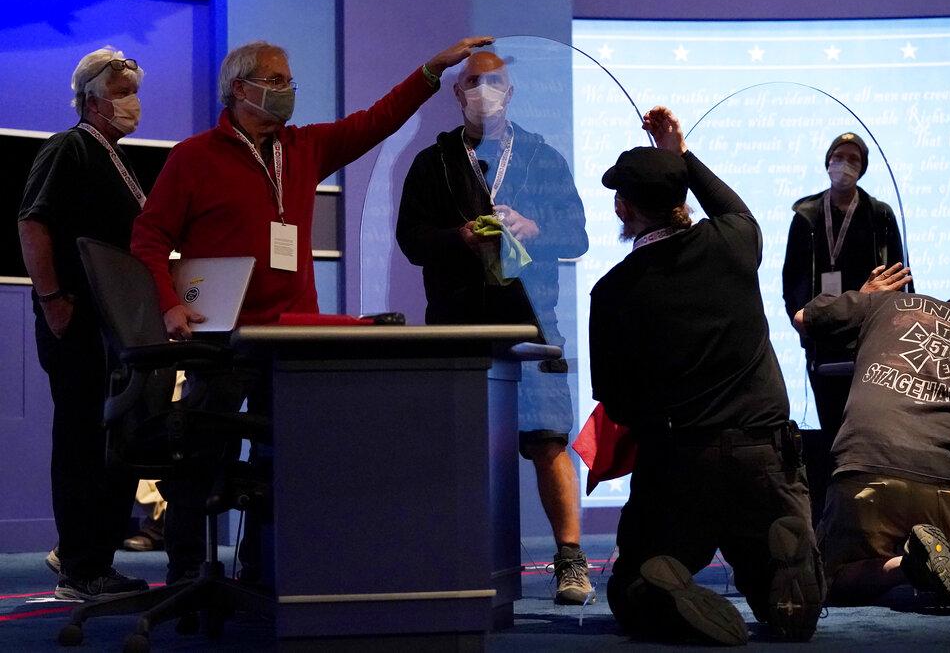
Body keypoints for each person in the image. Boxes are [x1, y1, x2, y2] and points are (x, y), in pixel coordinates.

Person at [131, 36, 492, 584]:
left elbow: (376, 121)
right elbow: (149, 239)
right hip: (220, 338)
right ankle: (186, 575)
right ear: (239, 89)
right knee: (206, 458)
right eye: (275, 81)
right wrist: (170, 304)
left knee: (283, 462)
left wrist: (430, 70)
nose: (287, 90)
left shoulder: (303, 148)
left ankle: (260, 574)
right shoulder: (194, 157)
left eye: (288, 80)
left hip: (293, 335)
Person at [591, 107, 823, 645]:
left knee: (631, 590)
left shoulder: (614, 291)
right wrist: (681, 153)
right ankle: (786, 588)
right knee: (773, 571)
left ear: (624, 208)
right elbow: (728, 205)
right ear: (681, 203)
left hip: (678, 460)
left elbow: (617, 402)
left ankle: (667, 593)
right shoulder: (735, 242)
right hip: (765, 452)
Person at [396, 51, 593, 604]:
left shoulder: (540, 157)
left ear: (511, 92)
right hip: (458, 323)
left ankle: (571, 560)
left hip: (531, 317)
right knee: (457, 447)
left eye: (494, 82)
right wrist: (457, 237)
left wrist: (535, 227)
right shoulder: (432, 163)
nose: (483, 91)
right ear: (457, 96)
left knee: (549, 439)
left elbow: (576, 235)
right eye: (471, 84)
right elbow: (411, 241)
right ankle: (455, 559)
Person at [794, 290, 950, 612]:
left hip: (870, 464)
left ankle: (909, 564)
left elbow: (804, 318)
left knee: (830, 579)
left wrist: (864, 294)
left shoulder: (890, 303)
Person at [18, 46, 149, 600]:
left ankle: (90, 554)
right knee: (81, 437)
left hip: (115, 322)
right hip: (76, 317)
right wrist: (52, 297)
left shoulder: (115, 157)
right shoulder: (68, 148)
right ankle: (81, 568)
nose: (132, 103)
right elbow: (34, 223)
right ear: (91, 100)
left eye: (133, 90)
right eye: (121, 93)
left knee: (111, 439)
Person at [782, 133, 909, 445]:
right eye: (838, 157)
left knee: (869, 429)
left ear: (863, 168)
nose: (844, 164)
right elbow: (792, 284)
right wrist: (807, 328)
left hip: (870, 338)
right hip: (824, 333)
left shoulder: (879, 214)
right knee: (832, 433)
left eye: (854, 159)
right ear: (827, 162)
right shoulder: (806, 215)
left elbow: (900, 278)